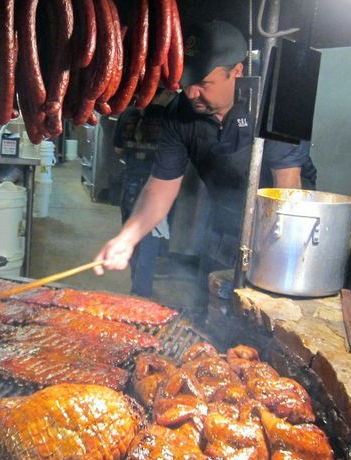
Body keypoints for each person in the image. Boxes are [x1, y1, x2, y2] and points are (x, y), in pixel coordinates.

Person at [94, 20, 317, 285]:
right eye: (185, 82)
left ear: (236, 71)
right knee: (212, 301)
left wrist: (272, 262)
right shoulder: (180, 113)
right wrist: (128, 237)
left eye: (202, 83)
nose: (190, 93)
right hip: (224, 218)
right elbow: (161, 186)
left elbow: (288, 191)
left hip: (281, 228)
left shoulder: (280, 100)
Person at [112, 89, 176, 297]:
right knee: (150, 239)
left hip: (132, 182)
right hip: (159, 183)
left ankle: (137, 284)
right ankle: (141, 292)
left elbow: (118, 150)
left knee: (130, 236)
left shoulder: (129, 113)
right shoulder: (170, 115)